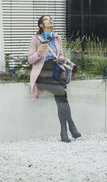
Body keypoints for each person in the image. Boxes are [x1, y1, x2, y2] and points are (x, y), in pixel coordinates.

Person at [28, 15, 81, 143]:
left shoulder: (57, 38)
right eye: (46, 19)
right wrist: (39, 52)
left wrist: (62, 58)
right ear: (41, 25)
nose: (50, 20)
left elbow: (61, 54)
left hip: (57, 72)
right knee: (62, 94)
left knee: (61, 99)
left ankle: (64, 132)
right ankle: (71, 126)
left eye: (50, 18)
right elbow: (30, 60)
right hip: (43, 75)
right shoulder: (36, 39)